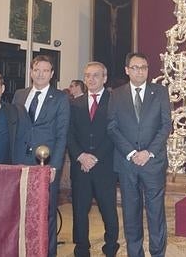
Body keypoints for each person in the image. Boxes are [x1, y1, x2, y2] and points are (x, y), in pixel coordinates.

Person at [107, 52, 171, 257]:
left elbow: (165, 126)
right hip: (127, 164)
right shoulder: (116, 95)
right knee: (131, 213)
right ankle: (135, 253)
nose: (139, 71)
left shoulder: (160, 92)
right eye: (135, 67)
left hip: (153, 163)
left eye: (143, 67)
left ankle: (157, 253)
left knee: (156, 213)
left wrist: (148, 152)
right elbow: (112, 127)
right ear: (127, 70)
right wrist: (133, 152)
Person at [12, 55, 70, 257]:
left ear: (52, 74)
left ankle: (48, 253)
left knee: (46, 212)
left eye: (46, 71)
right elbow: (14, 128)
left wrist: (55, 166)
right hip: (20, 161)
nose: (40, 74)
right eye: (37, 70)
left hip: (46, 164)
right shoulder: (19, 94)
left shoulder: (61, 98)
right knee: (21, 210)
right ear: (30, 71)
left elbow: (62, 134)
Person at [68, 62, 119, 256]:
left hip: (104, 166)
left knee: (108, 211)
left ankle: (111, 247)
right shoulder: (75, 103)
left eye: (96, 75)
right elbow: (69, 133)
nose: (91, 79)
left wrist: (95, 157)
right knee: (80, 211)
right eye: (88, 75)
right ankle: (81, 249)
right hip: (80, 166)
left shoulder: (115, 100)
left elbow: (114, 133)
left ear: (104, 78)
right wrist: (81, 156)